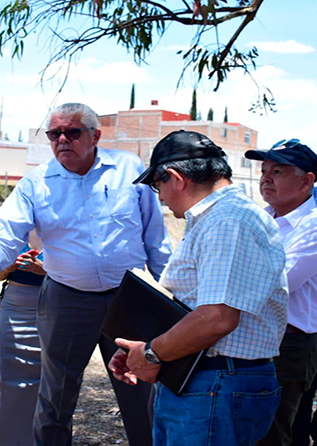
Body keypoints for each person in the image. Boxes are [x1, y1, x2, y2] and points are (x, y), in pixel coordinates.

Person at [0, 103, 171, 445]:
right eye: (54, 134)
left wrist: (177, 293)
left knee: (143, 392)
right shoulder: (37, 182)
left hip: (129, 300)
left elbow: (155, 237)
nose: (62, 140)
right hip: (66, 299)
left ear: (95, 136)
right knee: (55, 398)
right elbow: (5, 232)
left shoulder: (128, 169)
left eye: (72, 132)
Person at [109, 130, 288, 446]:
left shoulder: (227, 221)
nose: (159, 196)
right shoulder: (221, 218)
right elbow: (200, 307)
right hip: (204, 377)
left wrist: (151, 354)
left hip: (216, 381)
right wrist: (146, 350)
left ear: (176, 178)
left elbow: (217, 318)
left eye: (157, 185)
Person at [242, 139, 317, 446]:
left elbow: (279, 284)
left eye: (278, 171)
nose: (266, 178)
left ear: (307, 180)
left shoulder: (312, 224)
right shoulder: (265, 217)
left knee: (273, 434)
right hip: (265, 338)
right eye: (264, 170)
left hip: (292, 344)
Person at [0, 233, 45, 446]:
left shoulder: (63, 226)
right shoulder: (15, 229)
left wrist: (44, 269)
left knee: (48, 378)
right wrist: (9, 267)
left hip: (54, 305)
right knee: (2, 373)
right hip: (15, 306)